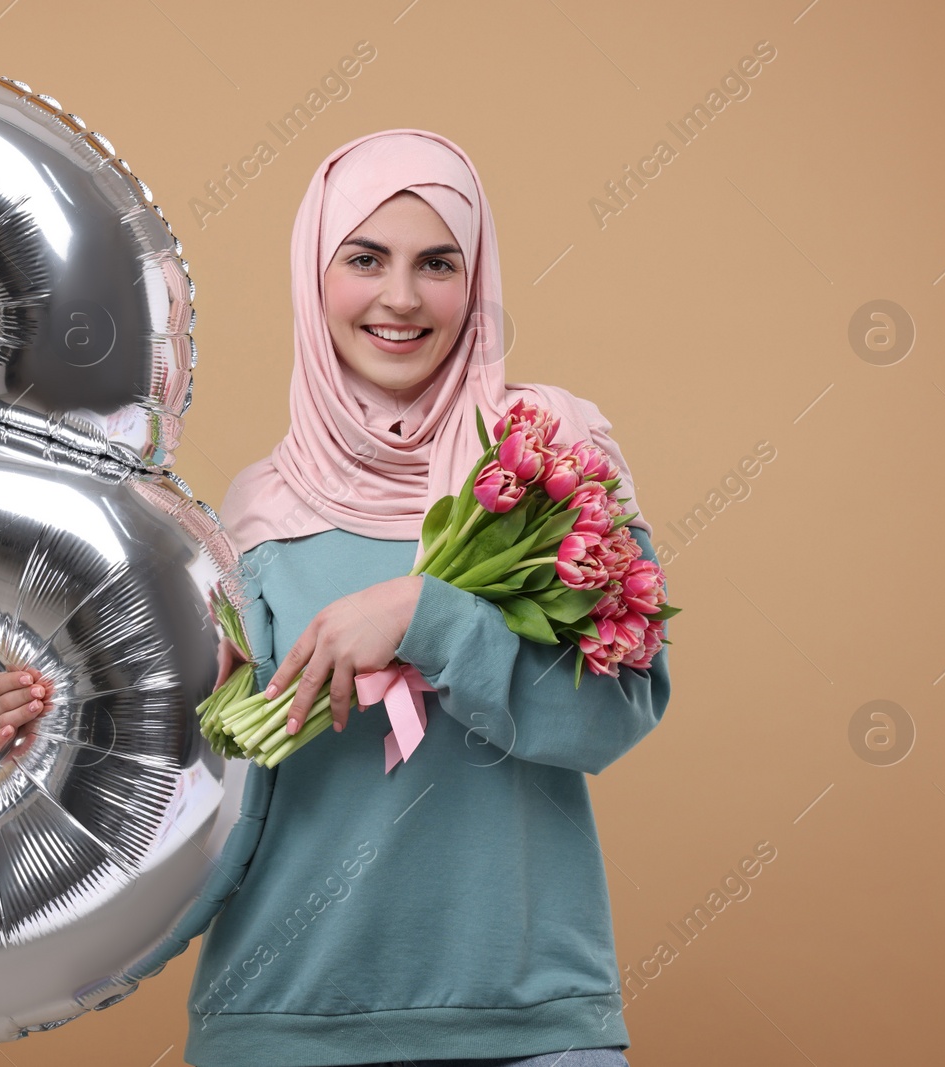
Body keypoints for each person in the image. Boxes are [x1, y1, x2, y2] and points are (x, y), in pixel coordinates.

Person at [182, 129, 672, 1067]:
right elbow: (199, 772)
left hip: (529, 1024)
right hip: (285, 1020)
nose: (400, 298)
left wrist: (426, 614)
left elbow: (617, 712)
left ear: (476, 279)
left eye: (437, 263)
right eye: (364, 259)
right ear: (313, 277)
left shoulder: (553, 456)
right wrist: (62, 719)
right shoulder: (253, 513)